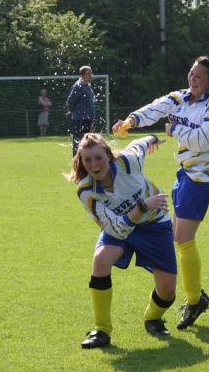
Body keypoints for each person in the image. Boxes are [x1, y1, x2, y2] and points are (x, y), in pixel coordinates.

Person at [112, 55, 209, 330]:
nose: (193, 79)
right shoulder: (180, 97)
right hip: (184, 174)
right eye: (191, 73)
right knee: (178, 238)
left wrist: (174, 129)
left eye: (200, 76)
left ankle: (195, 300)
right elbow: (156, 107)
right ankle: (196, 297)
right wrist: (131, 121)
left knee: (183, 238)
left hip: (202, 177)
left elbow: (203, 141)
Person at [71, 133, 175, 348]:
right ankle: (101, 330)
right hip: (120, 228)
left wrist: (153, 138)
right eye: (87, 160)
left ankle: (153, 317)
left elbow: (140, 143)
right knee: (101, 260)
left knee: (167, 292)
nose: (94, 165)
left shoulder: (128, 161)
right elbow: (116, 228)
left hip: (155, 224)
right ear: (81, 161)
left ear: (109, 156)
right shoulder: (86, 191)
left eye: (98, 158)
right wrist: (142, 206)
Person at [67, 66, 97, 156]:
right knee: (79, 142)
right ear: (83, 75)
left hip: (88, 118)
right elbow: (70, 100)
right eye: (89, 73)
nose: (91, 75)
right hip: (80, 119)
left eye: (91, 73)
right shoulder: (78, 85)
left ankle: (85, 160)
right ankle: (76, 161)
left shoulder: (87, 86)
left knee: (87, 142)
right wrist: (72, 110)